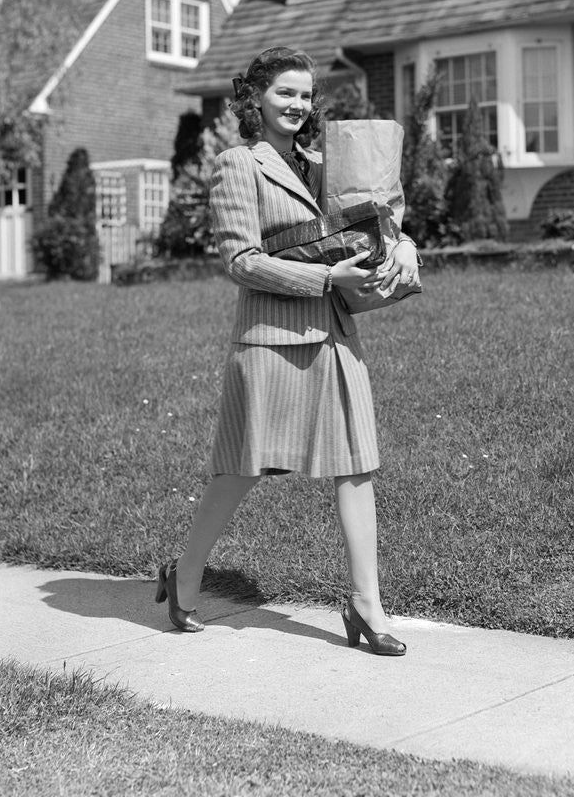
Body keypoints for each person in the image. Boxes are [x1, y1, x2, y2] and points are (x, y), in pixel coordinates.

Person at [156, 46, 419, 656]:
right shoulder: (236, 165)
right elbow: (240, 261)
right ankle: (185, 575)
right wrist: (327, 279)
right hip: (271, 339)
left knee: (356, 465)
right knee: (242, 470)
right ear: (256, 99)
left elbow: (376, 220)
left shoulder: (329, 165)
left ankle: (366, 608)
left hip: (333, 335)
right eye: (285, 94)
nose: (298, 105)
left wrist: (405, 245)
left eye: (306, 95)